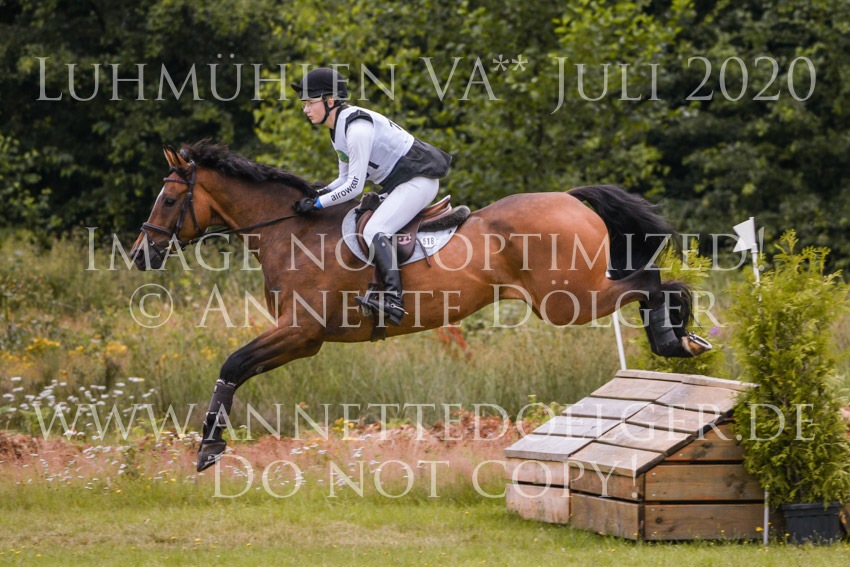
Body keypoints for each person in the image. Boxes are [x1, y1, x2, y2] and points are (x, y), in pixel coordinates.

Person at [291, 67, 452, 326]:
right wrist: (315, 195)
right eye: (304, 104)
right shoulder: (338, 128)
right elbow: (343, 178)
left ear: (330, 101)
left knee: (374, 230)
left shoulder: (357, 130)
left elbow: (355, 187)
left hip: (418, 181)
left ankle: (394, 301)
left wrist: (319, 203)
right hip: (399, 183)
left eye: (310, 103)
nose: (305, 109)